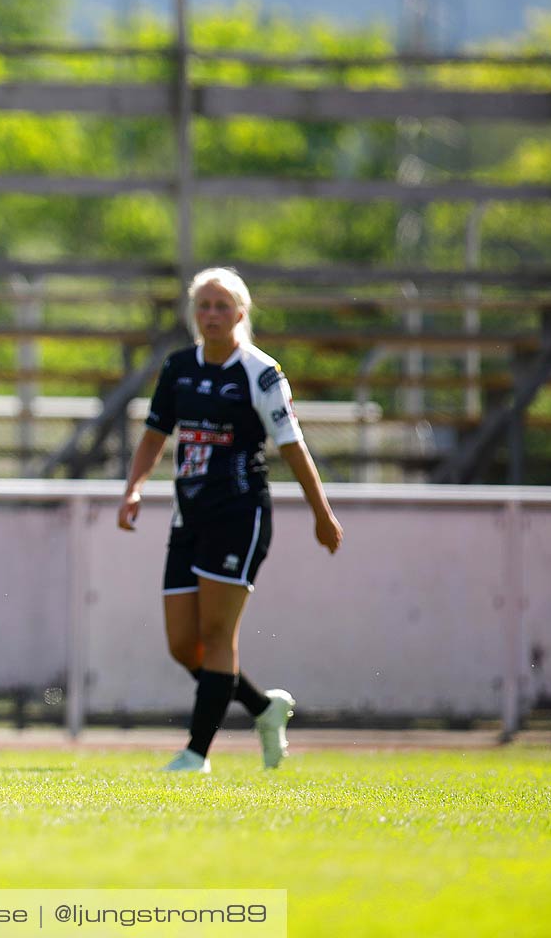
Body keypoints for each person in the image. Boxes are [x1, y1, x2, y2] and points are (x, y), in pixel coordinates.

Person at [117, 266, 343, 773]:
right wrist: (134, 488)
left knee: (218, 636)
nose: (212, 314)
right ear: (193, 314)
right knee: (184, 645)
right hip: (188, 516)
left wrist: (320, 513)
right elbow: (155, 435)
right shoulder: (178, 368)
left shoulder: (261, 372)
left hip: (239, 516)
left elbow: (293, 447)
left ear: (240, 313)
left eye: (222, 306)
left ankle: (196, 753)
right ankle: (264, 709)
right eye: (204, 306)